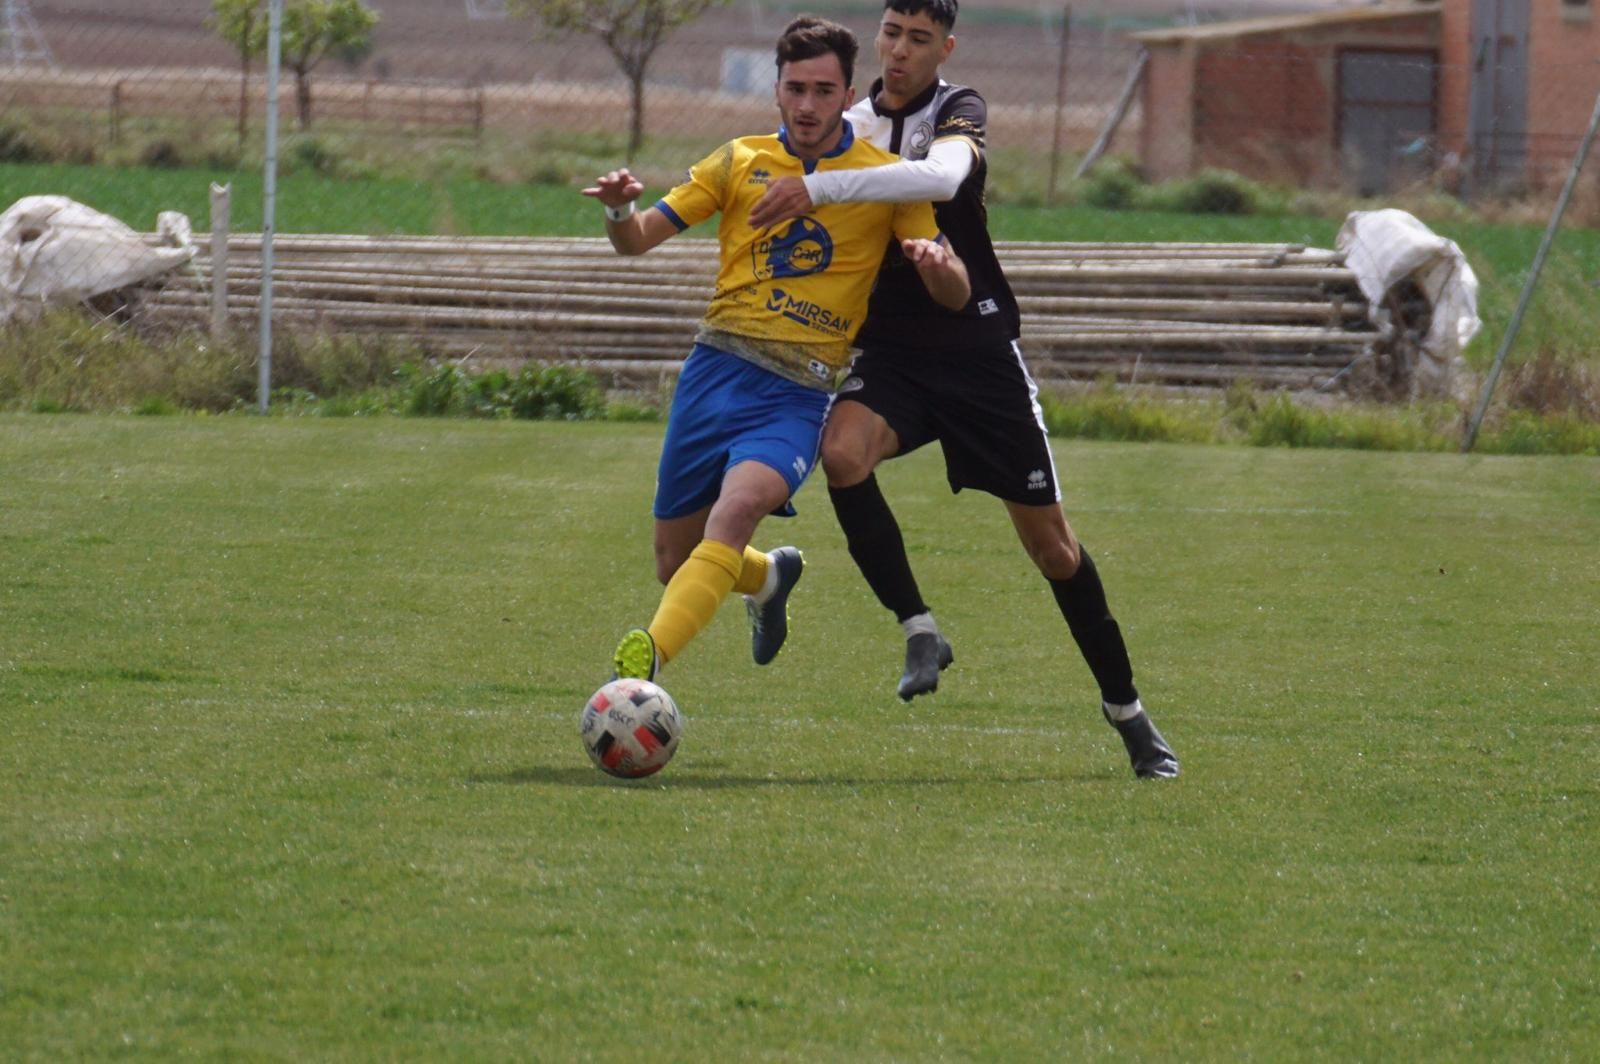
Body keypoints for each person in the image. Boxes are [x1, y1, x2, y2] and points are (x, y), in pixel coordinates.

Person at [746, 0, 1178, 779]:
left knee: (1053, 549)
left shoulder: (957, 110)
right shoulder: (849, 120)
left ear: (945, 47)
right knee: (841, 455)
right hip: (895, 355)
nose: (901, 53)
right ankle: (919, 628)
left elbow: (943, 176)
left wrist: (829, 194)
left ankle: (1130, 715)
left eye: (919, 40)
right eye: (890, 35)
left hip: (979, 356)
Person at [583, 15, 971, 685]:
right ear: (777, 91)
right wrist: (619, 210)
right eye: (796, 88)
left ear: (848, 94)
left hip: (797, 392)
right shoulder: (738, 160)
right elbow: (637, 239)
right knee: (676, 562)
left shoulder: (885, 179)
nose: (808, 105)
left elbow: (957, 292)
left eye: (824, 91)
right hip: (715, 372)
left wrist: (937, 265)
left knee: (735, 512)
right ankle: (769, 577)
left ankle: (648, 660)